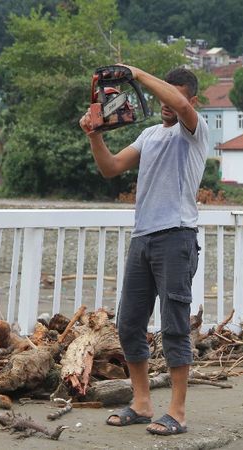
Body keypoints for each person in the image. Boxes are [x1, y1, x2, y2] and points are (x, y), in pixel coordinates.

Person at [79, 65, 208, 436]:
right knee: (129, 324)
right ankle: (141, 402)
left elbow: (180, 104)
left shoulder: (195, 130)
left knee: (174, 326)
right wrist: (95, 135)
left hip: (177, 236)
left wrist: (136, 72)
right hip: (143, 237)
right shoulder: (150, 135)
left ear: (190, 99)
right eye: (162, 93)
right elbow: (111, 168)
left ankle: (178, 412)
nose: (166, 102)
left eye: (174, 93)